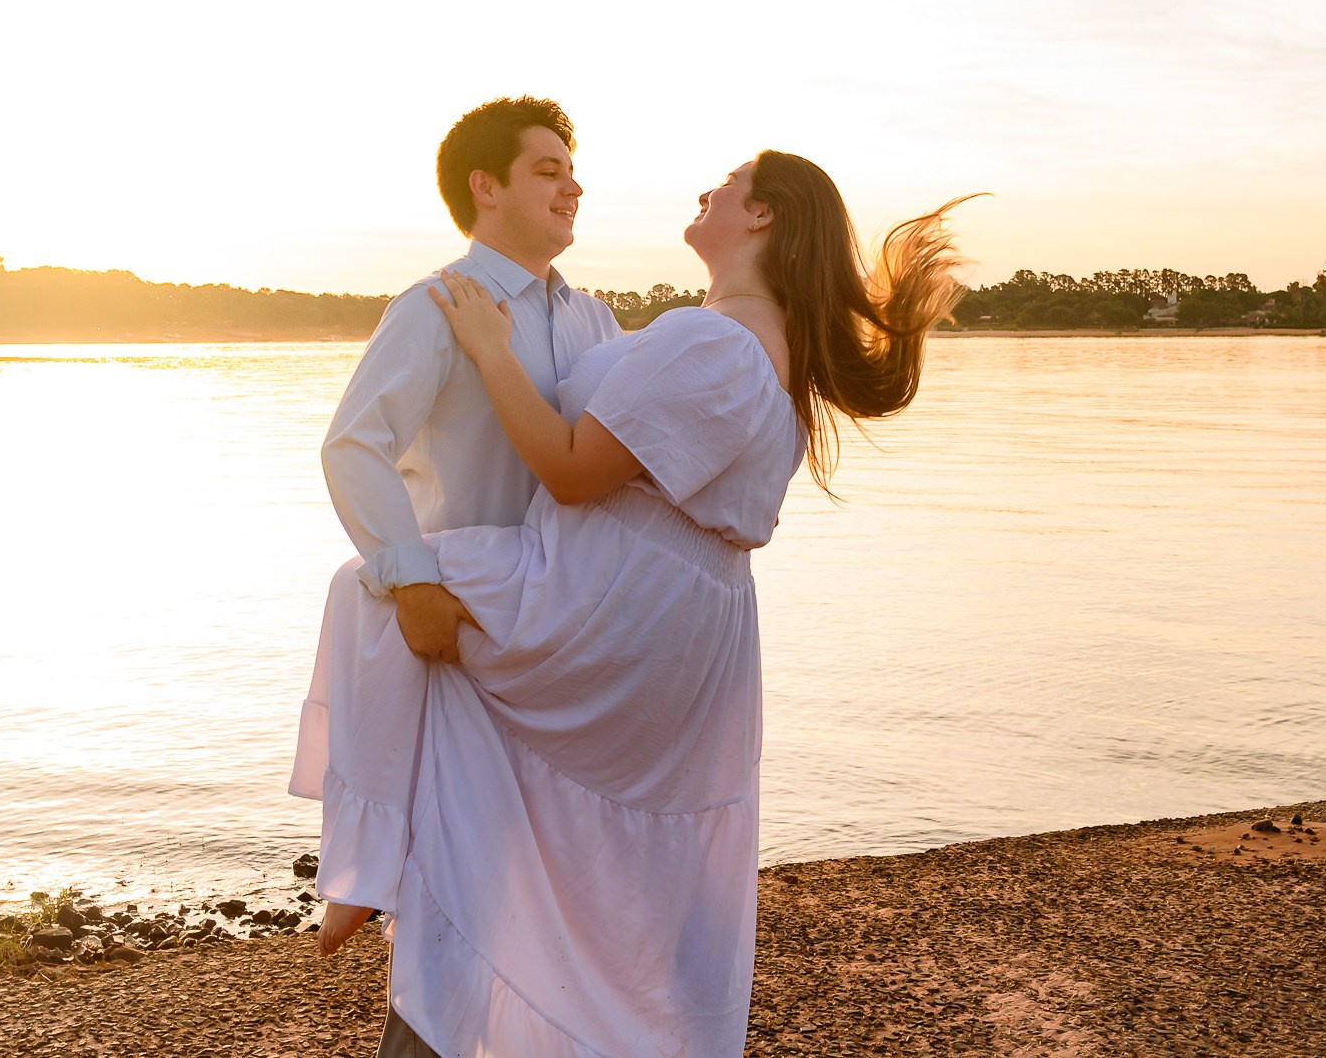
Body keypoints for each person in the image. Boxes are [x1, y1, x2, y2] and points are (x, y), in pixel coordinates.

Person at [293, 149, 969, 1056]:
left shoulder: (710, 340)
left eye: (727, 184)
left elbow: (572, 472)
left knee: (374, 587)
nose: (708, 190)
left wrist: (491, 349)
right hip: (686, 620)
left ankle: (364, 865)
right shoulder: (748, 345)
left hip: (603, 595)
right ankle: (424, 903)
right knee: (563, 817)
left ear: (763, 216)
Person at [306, 94, 623, 1054]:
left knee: (551, 892)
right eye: (547, 170)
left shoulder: (595, 319)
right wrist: (410, 584)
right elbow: (352, 445)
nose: (572, 185)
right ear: (485, 188)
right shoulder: (437, 305)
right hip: (460, 637)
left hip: (558, 642)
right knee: (457, 895)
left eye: (572, 170)